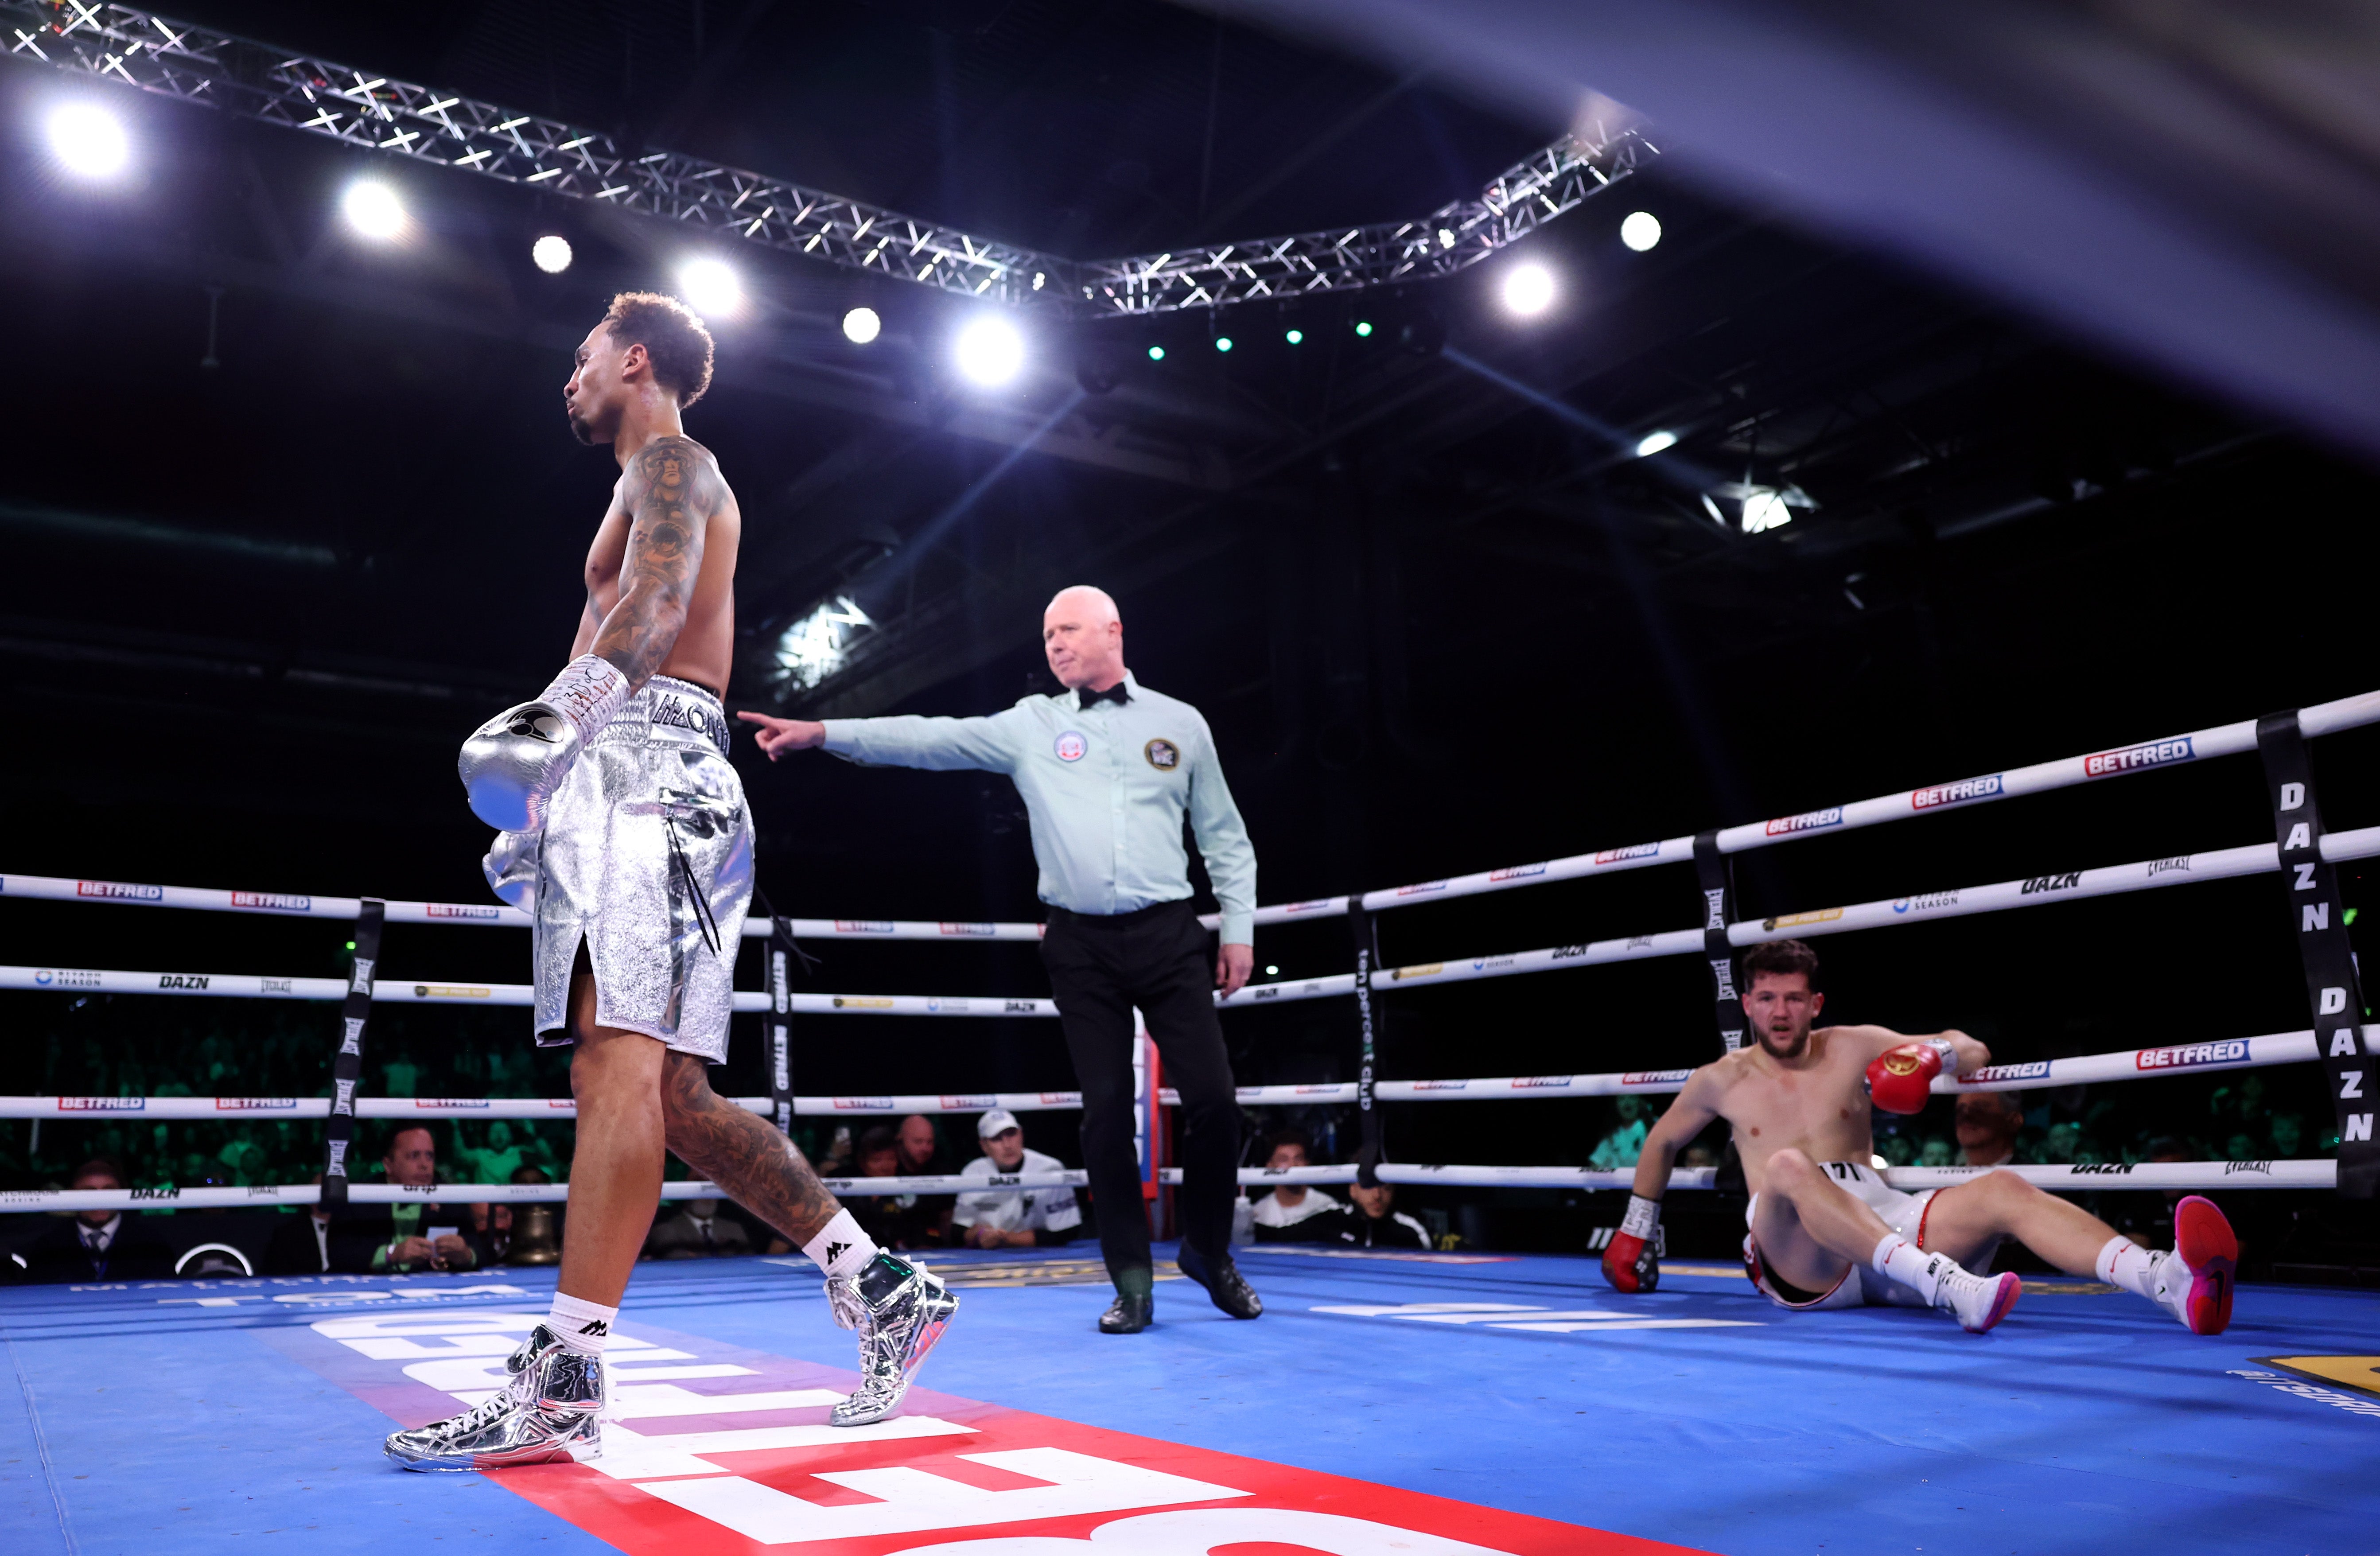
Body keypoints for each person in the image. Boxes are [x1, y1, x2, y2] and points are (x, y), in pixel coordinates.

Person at [395, 293, 957, 1474]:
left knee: (616, 1063)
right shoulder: (636, 480)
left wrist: (558, 725)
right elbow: (616, 629)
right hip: (628, 773)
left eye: (584, 355)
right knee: (677, 1099)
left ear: (635, 358)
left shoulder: (673, 461)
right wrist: (547, 803)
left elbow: (653, 607)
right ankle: (883, 1284)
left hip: (654, 771)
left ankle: (563, 1383)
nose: (570, 376)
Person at [740, 585, 1260, 1334]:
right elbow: (927, 737)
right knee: (1106, 1112)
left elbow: (1225, 838)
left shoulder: (1180, 723)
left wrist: (1237, 929)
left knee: (1214, 1100)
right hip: (1079, 943)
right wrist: (823, 731)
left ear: (1113, 630)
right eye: (1047, 632)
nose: (1054, 643)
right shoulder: (1030, 725)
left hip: (1170, 934)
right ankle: (1133, 1280)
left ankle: (1210, 1252)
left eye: (1069, 629)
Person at [1603, 940, 2238, 1336]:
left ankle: (2170, 1283)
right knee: (1792, 1168)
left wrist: (1932, 1055)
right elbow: (1660, 1142)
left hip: (1881, 1223)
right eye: (1767, 999)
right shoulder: (1721, 1079)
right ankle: (1949, 1288)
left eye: (1793, 999)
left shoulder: (1852, 1046)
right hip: (1799, 1254)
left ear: (1816, 1003)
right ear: (1747, 1004)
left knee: (2003, 1189)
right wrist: (1637, 1230)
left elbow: (1973, 1048)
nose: (1780, 1012)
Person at [330, 1127, 481, 1276]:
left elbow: (483, 1249)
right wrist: (391, 1254)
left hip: (430, 1290)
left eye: (430, 1156)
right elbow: (338, 1251)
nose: (424, 1165)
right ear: (388, 1165)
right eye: (414, 1156)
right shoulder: (362, 1195)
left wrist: (467, 1255)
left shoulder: (448, 1196)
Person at [18, 1159, 176, 1283]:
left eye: (109, 1190)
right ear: (72, 1194)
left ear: (122, 1192)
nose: (100, 1199)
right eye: (89, 1191)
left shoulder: (151, 1243)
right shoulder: (48, 1247)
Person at [953, 1110, 1083, 1250]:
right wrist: (980, 1235)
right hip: (985, 1258)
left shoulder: (1050, 1169)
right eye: (997, 1138)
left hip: (1040, 1255)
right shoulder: (973, 1173)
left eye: (1011, 1134)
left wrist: (1006, 1239)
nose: (1008, 1145)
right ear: (984, 1146)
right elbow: (958, 1230)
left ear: (1021, 1134)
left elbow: (1066, 1232)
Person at [1250, 1132, 1344, 1244]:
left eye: (1298, 1158)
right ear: (1270, 1166)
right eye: (1284, 1159)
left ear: (1307, 1164)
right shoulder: (1259, 1212)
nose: (1293, 1165)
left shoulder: (1328, 1207)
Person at [264, 1173, 338, 1275]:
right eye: (321, 1189)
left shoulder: (352, 1229)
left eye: (331, 1189)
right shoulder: (288, 1235)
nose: (327, 1195)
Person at [644, 1196, 754, 1260]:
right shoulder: (666, 1230)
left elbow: (749, 1260)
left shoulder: (734, 1229)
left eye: (711, 1193)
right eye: (703, 1193)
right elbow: (677, 1260)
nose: (708, 1199)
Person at [1341, 1179, 1431, 1249]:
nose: (1377, 1196)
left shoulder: (1411, 1231)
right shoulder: (1332, 1221)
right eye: (1368, 1186)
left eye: (1386, 1188)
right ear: (1353, 1190)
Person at [1955, 1090, 2025, 1167]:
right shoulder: (1947, 1177)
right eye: (1960, 1109)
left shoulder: (2032, 1175)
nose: (1965, 1115)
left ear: (2014, 1121)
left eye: (1978, 1109)